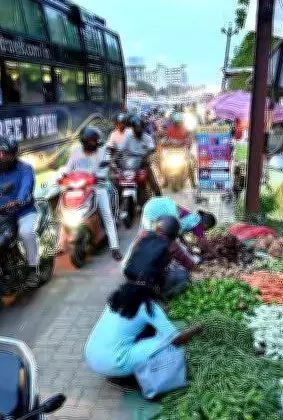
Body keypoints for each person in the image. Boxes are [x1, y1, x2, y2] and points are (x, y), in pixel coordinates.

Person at [84, 262, 202, 391]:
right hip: (114, 363)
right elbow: (177, 340)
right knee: (168, 346)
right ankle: (129, 376)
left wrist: (161, 314)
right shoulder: (148, 306)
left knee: (146, 335)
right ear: (157, 287)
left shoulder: (119, 296)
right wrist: (198, 328)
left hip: (92, 356)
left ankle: (119, 374)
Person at [0, 136, 43, 287]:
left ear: (14, 154)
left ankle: (33, 269)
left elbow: (26, 188)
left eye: (5, 153)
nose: (1, 156)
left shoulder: (25, 169)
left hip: (24, 212)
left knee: (26, 232)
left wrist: (19, 200)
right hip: (3, 214)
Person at [61, 126, 122, 261]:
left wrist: (99, 176)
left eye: (92, 141)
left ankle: (115, 247)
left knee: (107, 215)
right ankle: (60, 244)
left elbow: (104, 170)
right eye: (87, 142)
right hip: (79, 188)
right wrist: (63, 176)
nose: (90, 144)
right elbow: (68, 168)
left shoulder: (103, 152)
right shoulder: (76, 152)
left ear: (96, 141)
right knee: (63, 210)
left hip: (97, 188)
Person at [125, 215, 196, 298]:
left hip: (129, 273)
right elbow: (187, 263)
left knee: (159, 266)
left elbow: (134, 251)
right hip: (148, 281)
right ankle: (160, 296)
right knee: (185, 276)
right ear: (174, 232)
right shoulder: (172, 245)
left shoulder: (145, 234)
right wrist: (196, 268)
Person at [120, 114, 161, 197]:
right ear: (132, 128)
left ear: (143, 127)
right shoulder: (128, 137)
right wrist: (119, 156)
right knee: (120, 183)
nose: (137, 129)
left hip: (144, 165)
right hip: (130, 166)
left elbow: (151, 148)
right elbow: (122, 149)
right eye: (135, 127)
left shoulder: (147, 137)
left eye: (139, 127)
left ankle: (160, 201)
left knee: (155, 186)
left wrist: (146, 153)